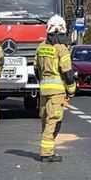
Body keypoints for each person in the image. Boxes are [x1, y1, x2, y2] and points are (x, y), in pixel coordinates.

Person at [35, 15, 76, 162]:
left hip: (44, 91)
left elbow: (36, 69)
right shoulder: (62, 49)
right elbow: (68, 73)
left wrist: (43, 82)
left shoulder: (41, 47)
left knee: (46, 121)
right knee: (53, 122)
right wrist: (71, 89)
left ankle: (48, 150)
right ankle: (46, 153)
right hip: (57, 92)